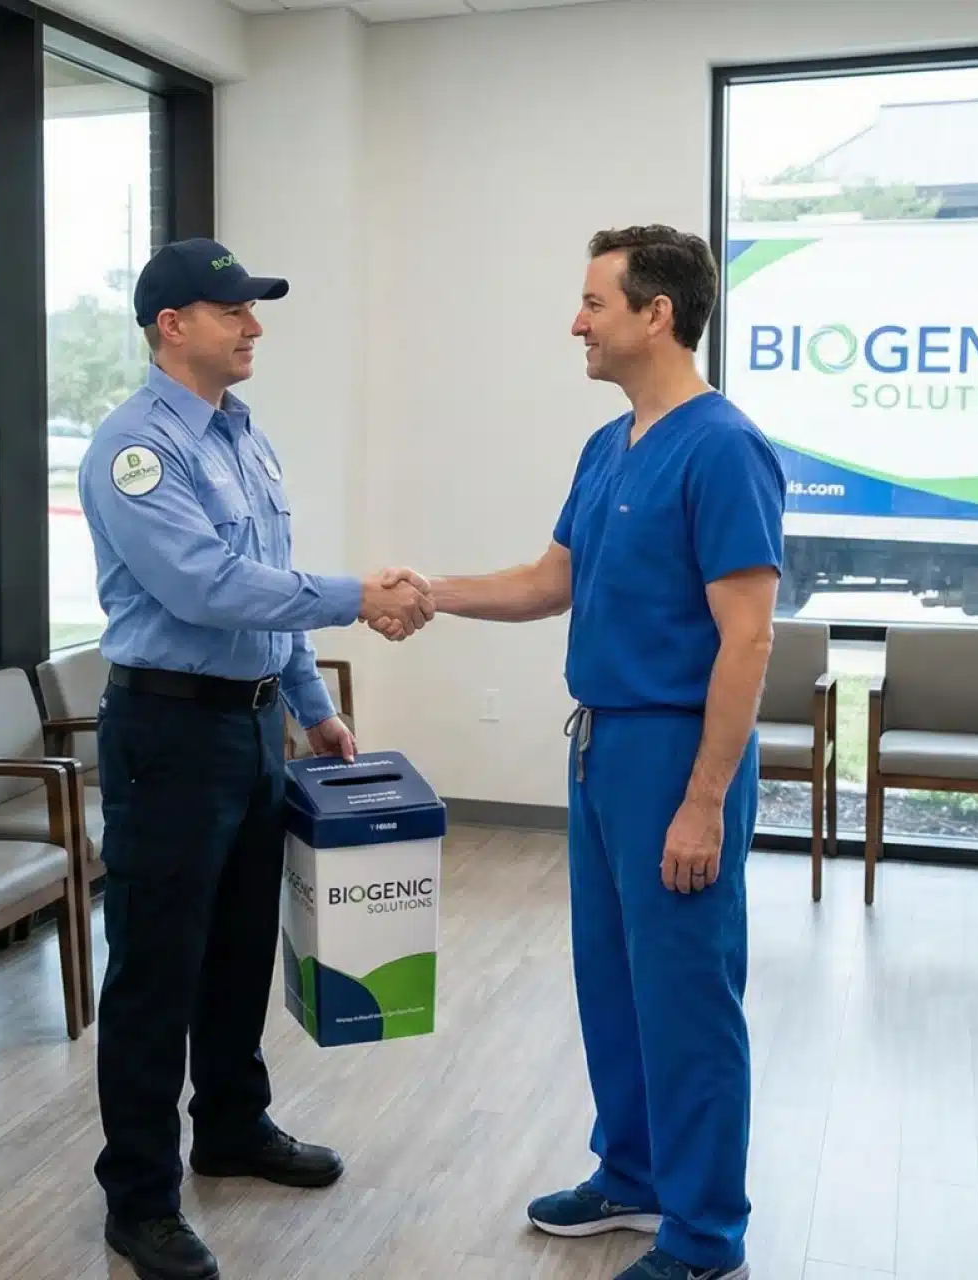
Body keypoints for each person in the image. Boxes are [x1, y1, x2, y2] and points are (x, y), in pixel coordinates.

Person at [390, 225, 783, 1280]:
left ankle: (705, 1237)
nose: (577, 321)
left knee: (688, 994)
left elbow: (748, 637)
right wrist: (432, 590)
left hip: (676, 753)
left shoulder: (723, 446)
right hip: (601, 746)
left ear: (656, 314)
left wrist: (703, 801)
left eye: (594, 302)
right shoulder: (608, 446)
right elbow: (545, 580)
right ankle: (634, 1171)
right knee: (611, 977)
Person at [78, 236, 432, 1280]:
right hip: (167, 736)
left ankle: (232, 1125)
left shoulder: (243, 437)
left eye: (254, 308)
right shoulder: (136, 449)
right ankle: (139, 1195)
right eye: (233, 309)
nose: (255, 325)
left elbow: (264, 582)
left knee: (238, 948)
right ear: (171, 326)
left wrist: (314, 706)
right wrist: (358, 595)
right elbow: (209, 586)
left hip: (252, 723)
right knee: (155, 970)